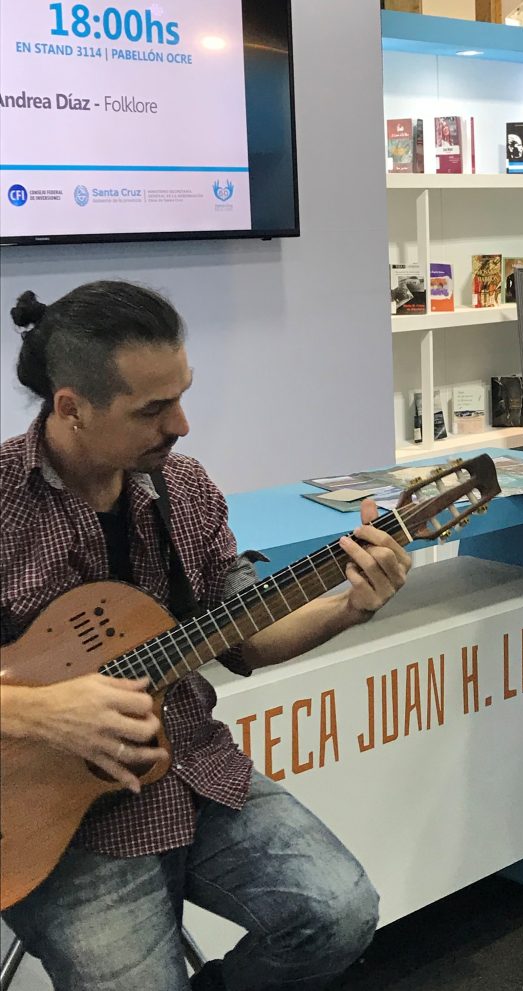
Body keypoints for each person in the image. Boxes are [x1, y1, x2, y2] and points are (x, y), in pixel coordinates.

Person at [0, 281, 413, 990]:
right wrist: (45, 710)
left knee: (341, 913)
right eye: (154, 409)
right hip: (53, 823)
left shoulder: (182, 487)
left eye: (183, 394)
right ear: (72, 406)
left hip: (194, 770)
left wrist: (351, 605)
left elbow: (245, 631)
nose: (183, 424)